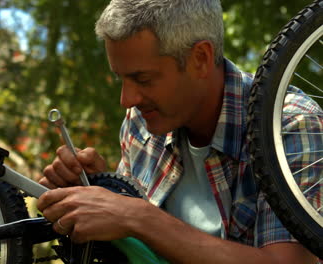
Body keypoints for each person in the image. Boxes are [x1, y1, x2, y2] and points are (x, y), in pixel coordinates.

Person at [37, 0, 321, 263]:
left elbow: (287, 263)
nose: (127, 99)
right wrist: (101, 186)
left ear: (200, 57)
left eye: (142, 78)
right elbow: (139, 246)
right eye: (121, 79)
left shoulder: (289, 126)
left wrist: (139, 217)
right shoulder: (140, 122)